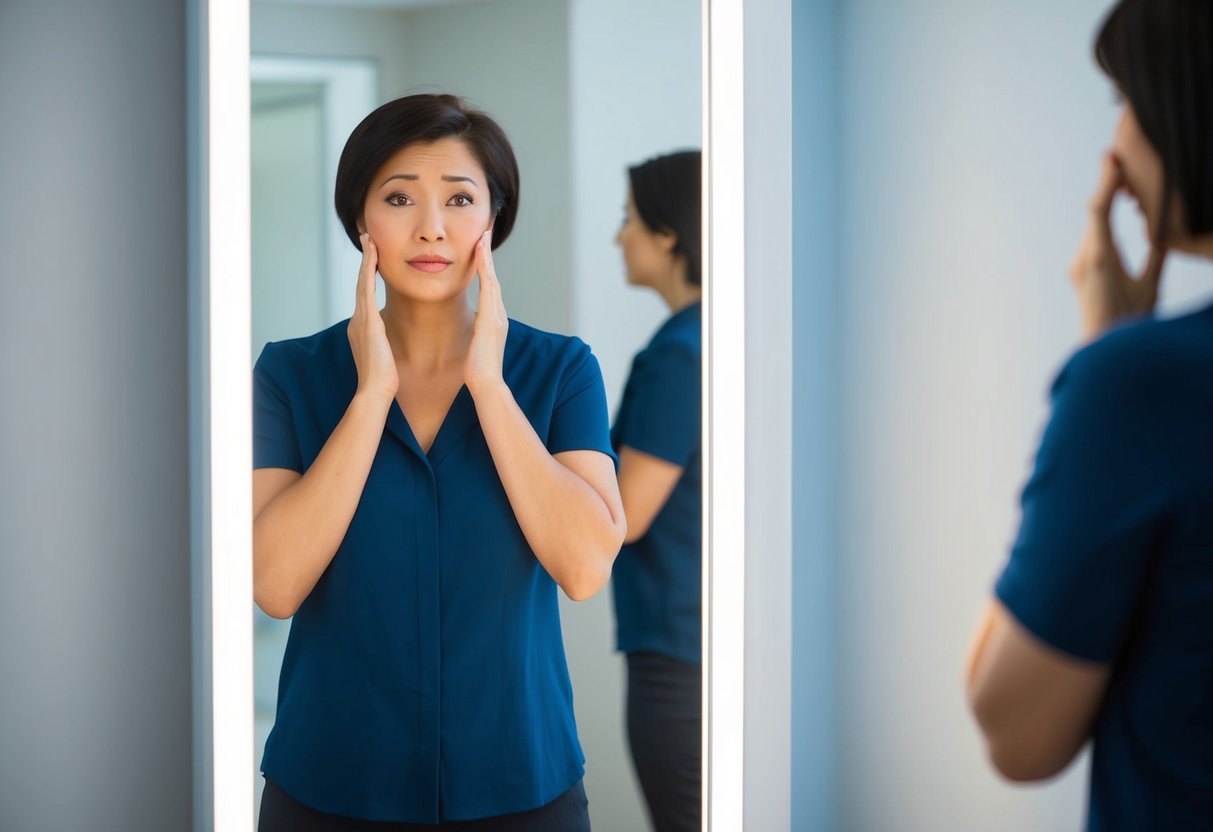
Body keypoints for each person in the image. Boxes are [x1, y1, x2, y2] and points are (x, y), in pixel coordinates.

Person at [251, 93, 626, 831]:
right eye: (399, 198)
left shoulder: (560, 370)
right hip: (330, 789)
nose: (430, 227)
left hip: (521, 787)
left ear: (494, 219)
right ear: (361, 219)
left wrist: (488, 384)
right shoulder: (290, 374)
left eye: (459, 199)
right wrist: (371, 397)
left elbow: (584, 568)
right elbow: (275, 585)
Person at [965, 1, 1213, 828]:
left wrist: (1102, 353)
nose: (1114, 147)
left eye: (1125, 101)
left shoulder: (1138, 386)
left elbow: (1011, 731)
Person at [609, 150, 702, 832]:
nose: (620, 236)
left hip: (677, 658)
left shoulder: (679, 353)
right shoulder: (716, 337)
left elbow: (625, 512)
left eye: (628, 219)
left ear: (668, 234)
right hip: (697, 637)